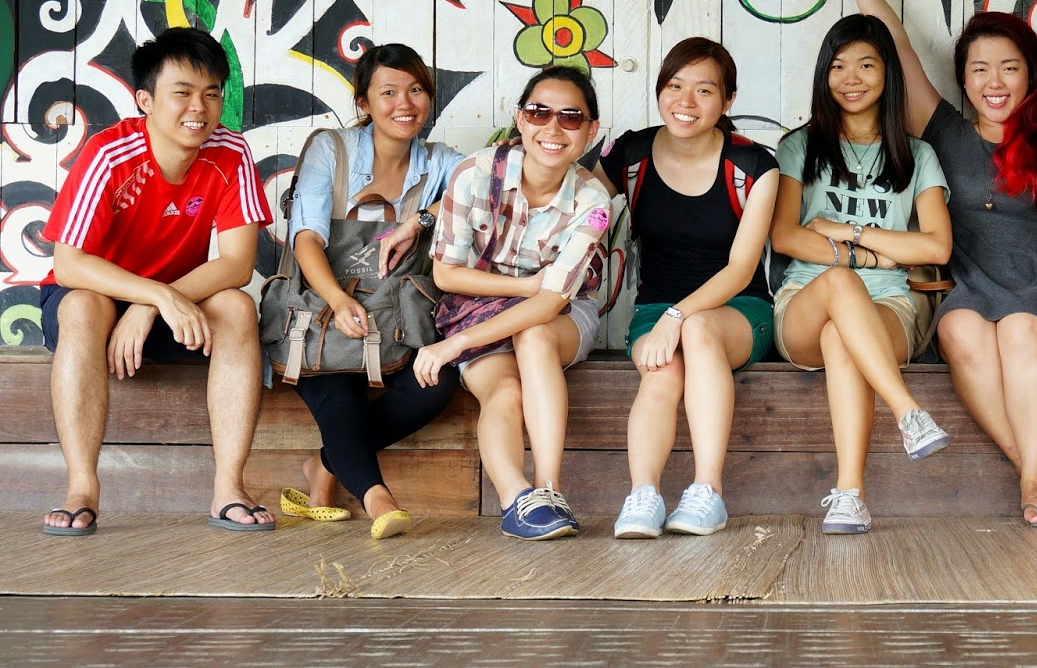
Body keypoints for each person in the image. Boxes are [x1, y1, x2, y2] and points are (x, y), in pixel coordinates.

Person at [798, 0, 1037, 528]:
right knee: (960, 332)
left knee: (1020, 333)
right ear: (963, 78)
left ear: (1031, 76)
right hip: (970, 283)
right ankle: (1034, 471)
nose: (994, 83)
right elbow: (898, 50)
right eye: (980, 70)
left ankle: (1033, 482)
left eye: (1009, 69)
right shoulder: (944, 130)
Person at [38, 28, 275, 535]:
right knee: (83, 304)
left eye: (211, 93)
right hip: (96, 301)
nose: (199, 108)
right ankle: (82, 487)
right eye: (182, 93)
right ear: (145, 100)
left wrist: (154, 305)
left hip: (173, 306)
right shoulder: (110, 153)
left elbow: (237, 264)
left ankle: (229, 488)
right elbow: (69, 264)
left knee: (236, 306)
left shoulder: (231, 152)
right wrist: (152, 295)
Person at [769, 14, 954, 535]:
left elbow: (936, 245)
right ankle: (908, 413)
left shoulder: (917, 155)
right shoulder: (800, 146)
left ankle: (850, 495)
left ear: (887, 73)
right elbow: (785, 236)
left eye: (866, 65)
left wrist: (846, 231)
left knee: (841, 335)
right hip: (804, 302)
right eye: (838, 66)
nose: (851, 78)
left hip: (889, 308)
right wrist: (870, 258)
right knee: (837, 287)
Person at [589, 38, 780, 539]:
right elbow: (576, 209)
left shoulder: (754, 166)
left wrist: (677, 317)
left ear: (728, 100)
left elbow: (741, 268)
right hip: (655, 310)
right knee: (662, 372)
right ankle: (643, 495)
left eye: (704, 90)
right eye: (674, 86)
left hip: (738, 310)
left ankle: (707, 492)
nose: (686, 102)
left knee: (697, 331)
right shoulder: (631, 154)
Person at [412, 66, 611, 540]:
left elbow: (549, 304)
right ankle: (518, 501)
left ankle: (550, 490)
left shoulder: (593, 202)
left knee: (535, 334)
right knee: (503, 392)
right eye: (539, 113)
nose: (553, 128)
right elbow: (446, 274)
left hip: (560, 315)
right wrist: (525, 287)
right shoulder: (474, 174)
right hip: (474, 306)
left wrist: (453, 345)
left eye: (570, 117)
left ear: (590, 131)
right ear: (520, 119)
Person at [279, 44, 466, 539]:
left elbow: (492, 184)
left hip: (396, 319)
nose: (405, 103)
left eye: (416, 90)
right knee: (339, 388)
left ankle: (324, 465)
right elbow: (306, 238)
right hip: (320, 311)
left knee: (437, 382)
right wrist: (339, 300)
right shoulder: (331, 149)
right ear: (363, 102)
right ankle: (377, 498)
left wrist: (420, 219)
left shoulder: (440, 162)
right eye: (388, 92)